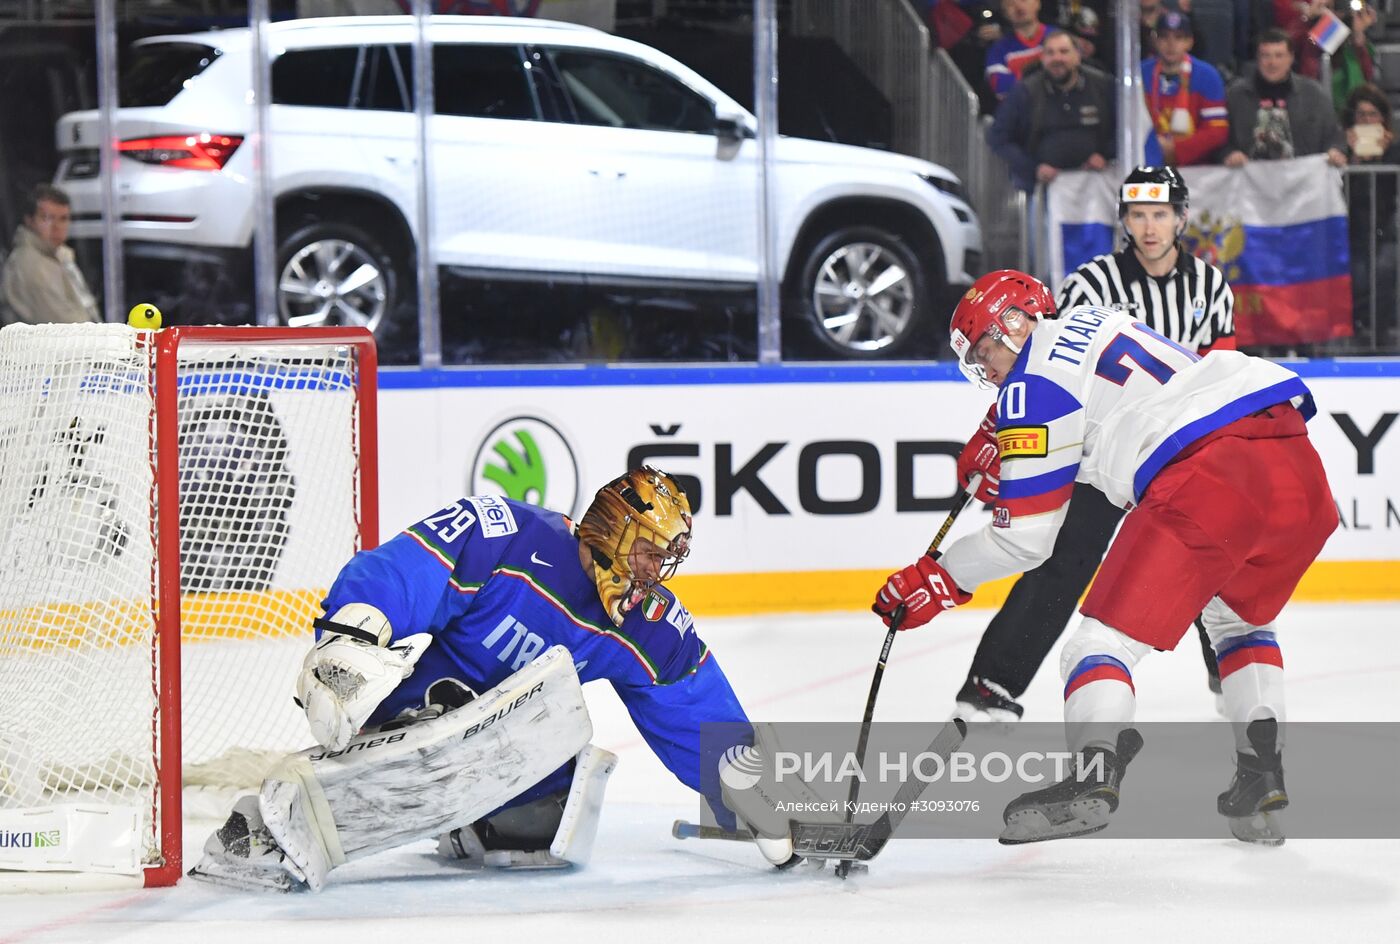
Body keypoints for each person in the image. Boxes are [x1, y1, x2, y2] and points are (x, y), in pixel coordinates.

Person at [873, 270, 1337, 845]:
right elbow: (1102, 402)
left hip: (1208, 474)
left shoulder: (1030, 388)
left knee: (1097, 646)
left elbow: (1024, 539)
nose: (986, 370)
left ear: (1016, 324)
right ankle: (1261, 775)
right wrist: (1008, 435)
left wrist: (938, 579)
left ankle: (1092, 778)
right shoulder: (1098, 318)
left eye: (986, 350)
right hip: (1295, 462)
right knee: (1238, 624)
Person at [191, 468, 800, 892]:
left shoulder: (648, 622)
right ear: (614, 530)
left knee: (562, 817)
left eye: (664, 558)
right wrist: (354, 633)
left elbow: (691, 703)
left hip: (508, 753)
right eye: (647, 551)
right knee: (452, 704)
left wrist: (744, 787)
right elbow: (411, 567)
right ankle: (267, 825)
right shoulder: (511, 535)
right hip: (417, 715)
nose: (655, 571)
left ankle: (465, 828)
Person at [947, 166, 1237, 723]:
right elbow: (1041, 366)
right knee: (1063, 551)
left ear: (1180, 218)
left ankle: (1230, 668)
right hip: (1101, 445)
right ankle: (993, 682)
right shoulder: (1091, 283)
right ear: (1124, 221)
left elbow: (1221, 371)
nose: (1149, 227)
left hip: (1180, 449)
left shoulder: (1211, 288)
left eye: (1160, 214)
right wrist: (996, 430)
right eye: (1137, 215)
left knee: (1207, 552)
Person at [987, 29, 1116, 192]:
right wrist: (1033, 169)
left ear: (1078, 56)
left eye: (1064, 52)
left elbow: (1126, 127)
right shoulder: (1025, 91)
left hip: (1099, 180)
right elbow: (997, 137)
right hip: (1044, 186)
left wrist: (1106, 155)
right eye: (1050, 53)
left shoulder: (1103, 85)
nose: (1057, 59)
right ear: (1042, 58)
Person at [1222, 28, 1347, 166]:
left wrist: (1335, 151)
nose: (1272, 63)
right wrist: (1229, 153)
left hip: (1301, 182)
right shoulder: (1235, 96)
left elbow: (1333, 135)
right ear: (1257, 58)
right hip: (1249, 183)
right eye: (1266, 55)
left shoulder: (1313, 94)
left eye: (1279, 55)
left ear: (1291, 58)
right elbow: (1220, 139)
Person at [1341, 83, 1400, 346]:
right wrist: (1352, 159)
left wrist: (1387, 153)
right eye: (1361, 115)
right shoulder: (1343, 150)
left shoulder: (1396, 149)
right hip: (1352, 230)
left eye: (1372, 115)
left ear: (1383, 119)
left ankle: (1381, 336)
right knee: (1358, 277)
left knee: (1385, 271)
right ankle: (1359, 334)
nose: (1367, 120)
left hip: (1387, 228)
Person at [0, 184, 100, 326]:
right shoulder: (29, 265)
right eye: (47, 218)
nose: (57, 227)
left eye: (63, 218)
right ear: (29, 220)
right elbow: (64, 326)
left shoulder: (60, 255)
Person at [1142, 11, 1230, 165]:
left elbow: (1217, 130)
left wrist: (1176, 149)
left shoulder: (1207, 75)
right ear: (1154, 41)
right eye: (1164, 37)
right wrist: (1156, 150)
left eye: (1179, 38)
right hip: (1147, 165)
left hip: (1196, 169)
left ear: (1190, 42)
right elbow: (1129, 125)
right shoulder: (1139, 75)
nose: (1171, 44)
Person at [985, 0, 1058, 104]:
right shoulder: (998, 49)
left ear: (1038, 3)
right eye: (1010, 4)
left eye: (1023, 0)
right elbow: (1000, 86)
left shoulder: (1059, 38)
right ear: (1005, 13)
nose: (1018, 7)